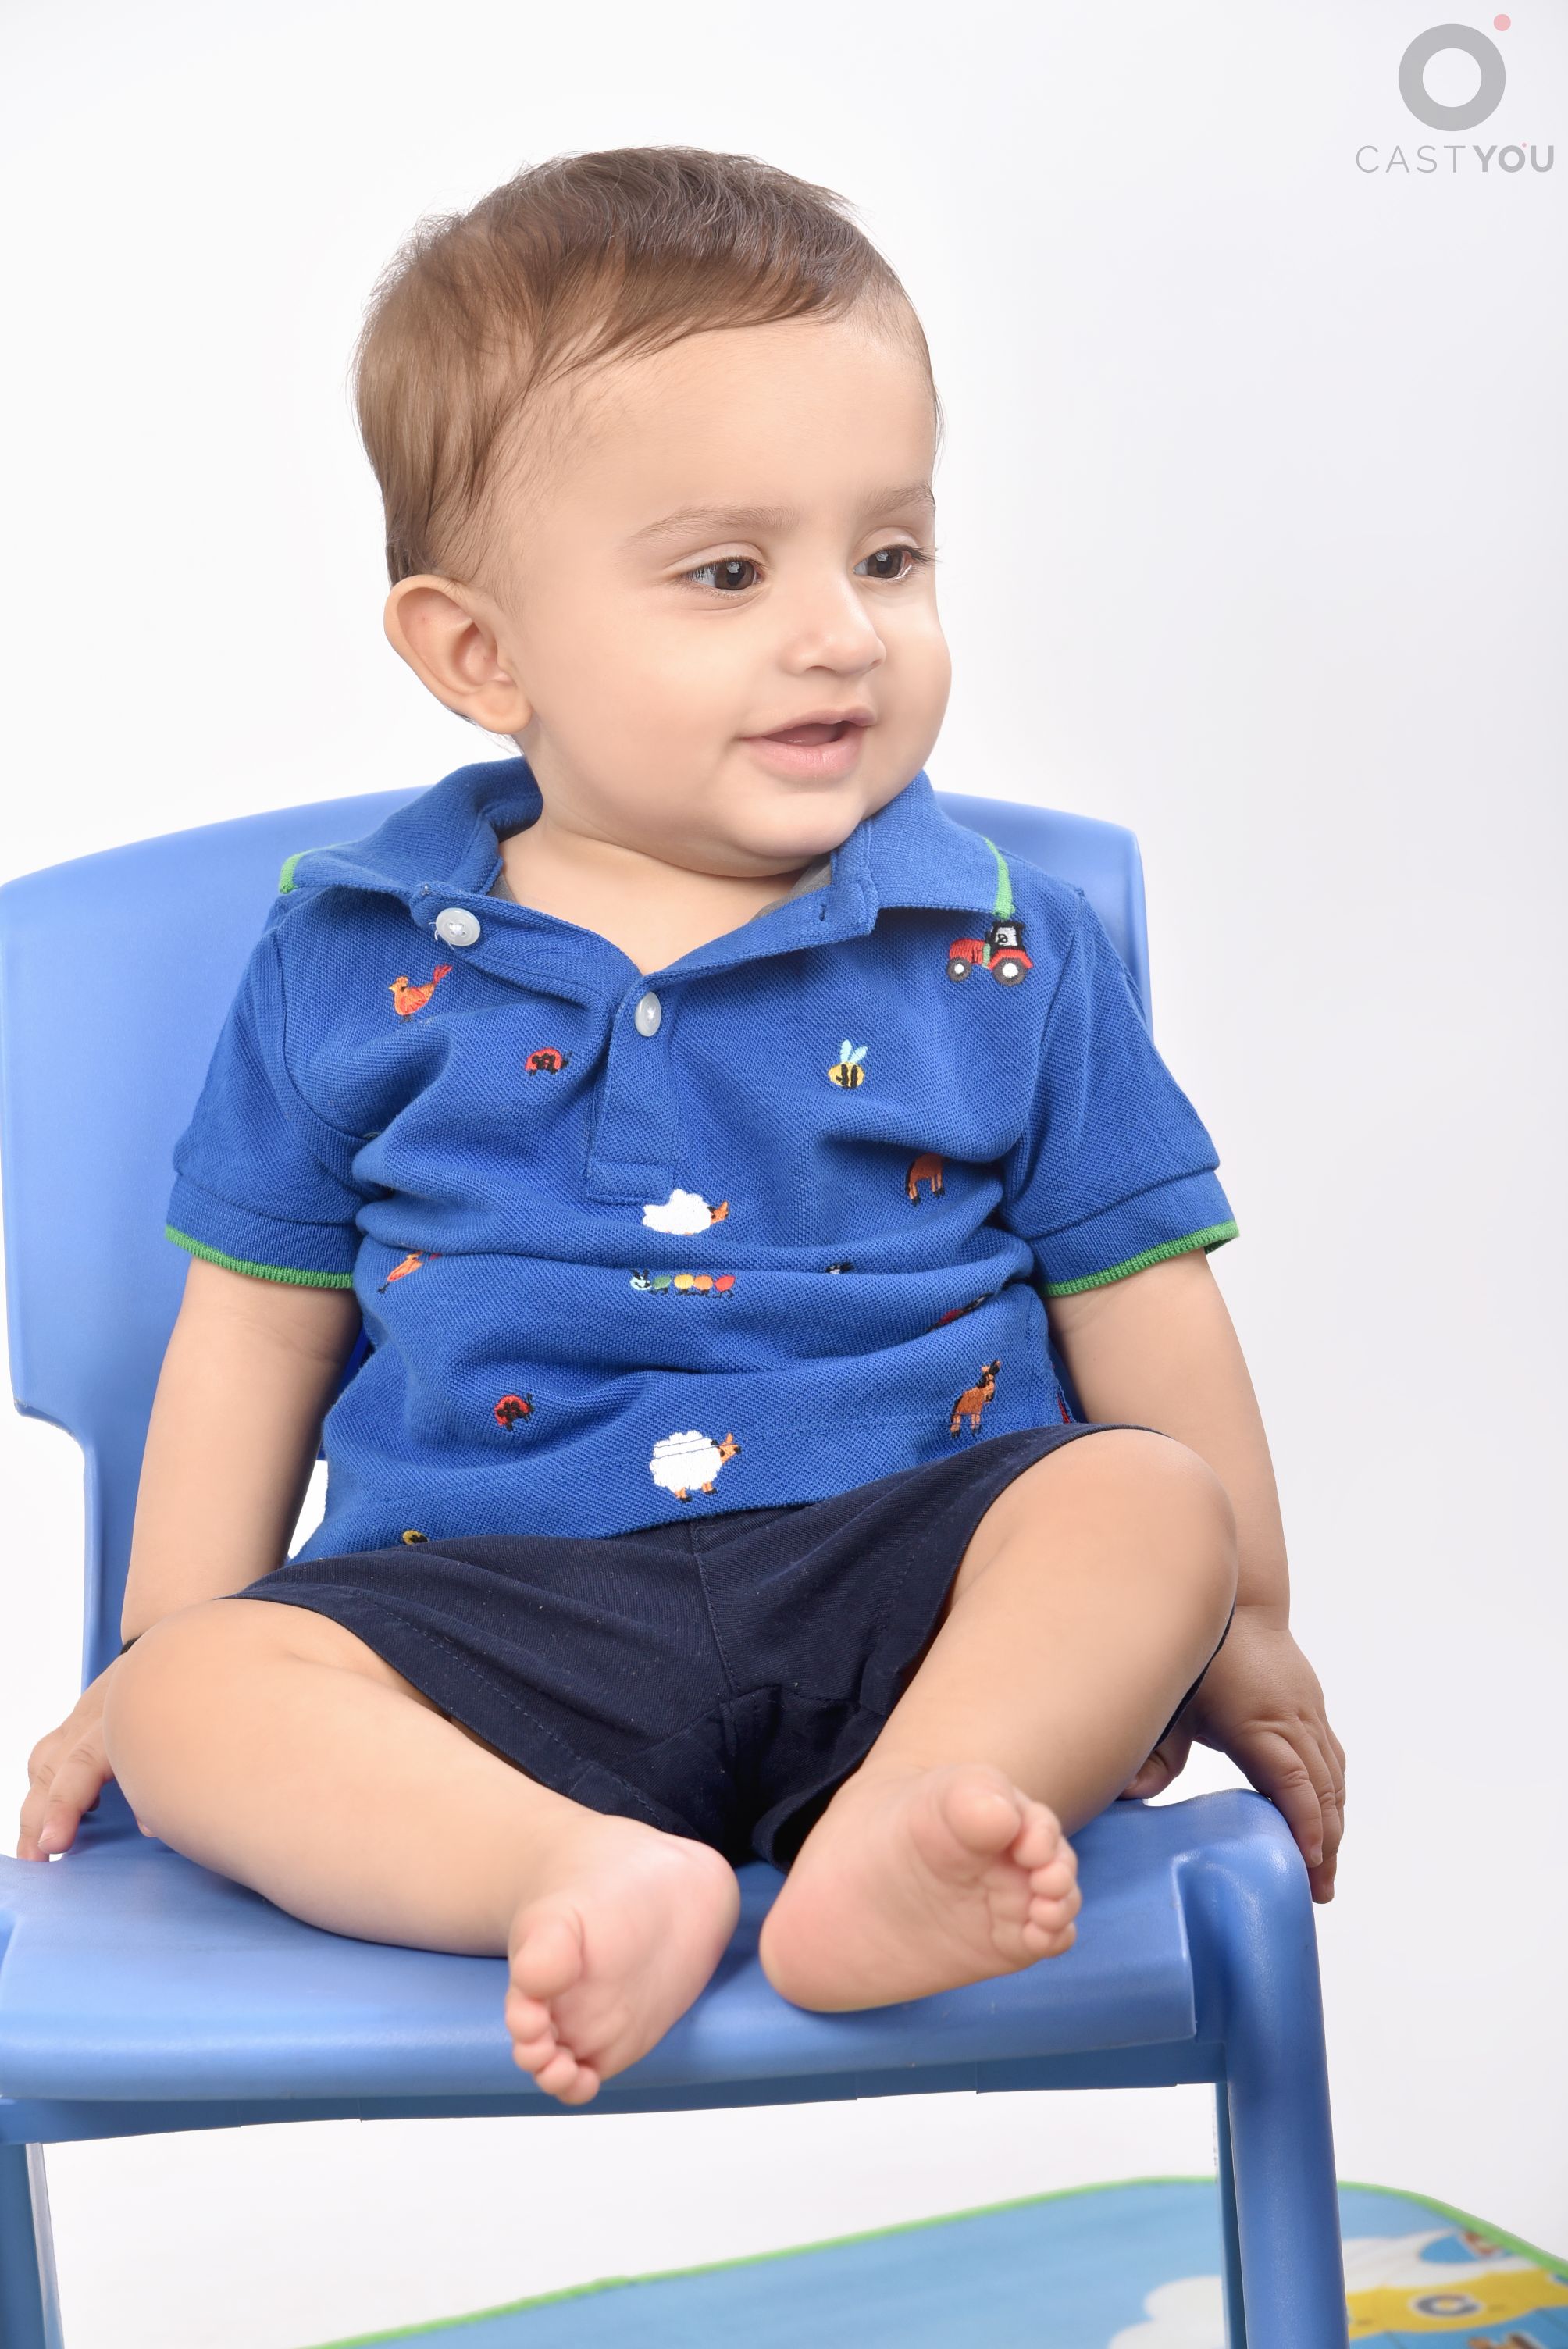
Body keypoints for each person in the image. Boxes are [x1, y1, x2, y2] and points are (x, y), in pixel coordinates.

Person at [16, 146, 1344, 2109]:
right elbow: (255, 1334)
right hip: (485, 1623)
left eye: (886, 556)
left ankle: (910, 1827)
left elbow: (1143, 1295)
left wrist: (1245, 1623)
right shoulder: (350, 961)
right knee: (204, 1684)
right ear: (480, 654)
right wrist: (152, 1668)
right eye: (730, 574)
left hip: (906, 1587)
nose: (842, 634)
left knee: (1144, 1502)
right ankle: (564, 1874)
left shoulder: (999, 945)